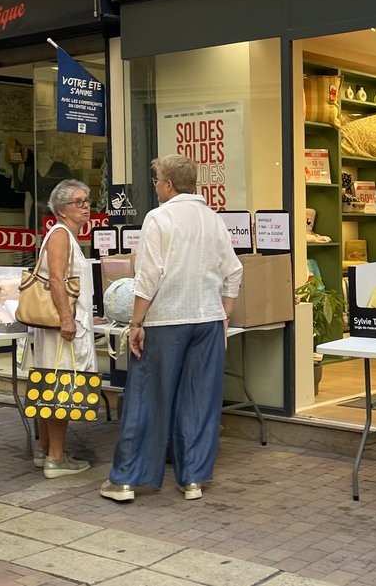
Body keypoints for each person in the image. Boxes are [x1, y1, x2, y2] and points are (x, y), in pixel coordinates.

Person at [100, 154, 243, 503]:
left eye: (157, 180)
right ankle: (192, 478)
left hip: (166, 320)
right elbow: (234, 271)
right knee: (199, 400)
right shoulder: (213, 219)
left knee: (146, 398)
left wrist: (135, 322)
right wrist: (223, 314)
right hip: (207, 319)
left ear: (167, 184)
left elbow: (148, 275)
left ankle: (127, 480)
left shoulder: (159, 218)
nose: (155, 186)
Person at [29, 178, 96, 478]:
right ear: (61, 209)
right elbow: (56, 279)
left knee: (51, 383)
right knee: (62, 386)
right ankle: (56, 456)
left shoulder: (65, 235)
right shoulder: (60, 235)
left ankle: (46, 450)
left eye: (88, 201)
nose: (87, 207)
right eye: (79, 202)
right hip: (62, 327)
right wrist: (67, 318)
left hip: (61, 325)